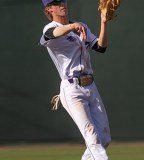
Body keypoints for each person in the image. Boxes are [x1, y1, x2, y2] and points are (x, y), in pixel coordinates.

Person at [40, 0, 111, 159]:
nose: (62, 4)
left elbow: (100, 47)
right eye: (56, 2)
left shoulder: (81, 27)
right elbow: (49, 35)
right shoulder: (51, 28)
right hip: (72, 90)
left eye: (63, 1)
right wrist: (71, 27)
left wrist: (103, 22)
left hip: (91, 86)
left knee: (104, 138)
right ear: (49, 9)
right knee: (92, 137)